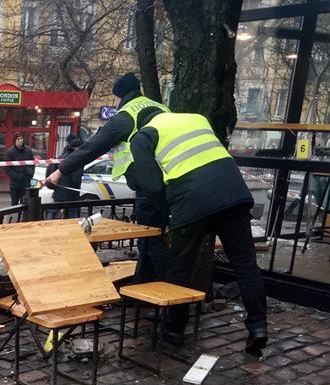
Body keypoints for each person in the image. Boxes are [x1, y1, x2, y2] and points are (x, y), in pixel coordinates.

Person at [128, 109, 269, 356]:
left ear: (142, 123)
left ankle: (174, 331)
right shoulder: (197, 118)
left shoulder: (143, 136)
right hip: (234, 193)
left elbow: (150, 184)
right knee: (246, 265)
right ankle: (258, 327)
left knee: (179, 268)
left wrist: (168, 210)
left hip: (191, 200)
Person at [45, 72, 170, 282]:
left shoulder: (125, 116)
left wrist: (60, 171)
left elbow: (91, 148)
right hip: (173, 178)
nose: (114, 101)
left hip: (151, 186)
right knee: (152, 238)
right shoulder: (160, 107)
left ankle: (169, 295)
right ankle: (144, 285)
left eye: (114, 97)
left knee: (151, 240)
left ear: (120, 95)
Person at [45, 134, 84, 218]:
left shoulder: (61, 156)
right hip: (71, 195)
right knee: (72, 215)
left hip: (59, 191)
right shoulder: (78, 160)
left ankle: (47, 226)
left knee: (53, 212)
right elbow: (75, 179)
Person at [5, 134, 35, 206]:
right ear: (14, 141)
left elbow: (32, 163)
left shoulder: (28, 150)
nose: (20, 141)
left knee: (25, 204)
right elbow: (7, 168)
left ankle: (23, 217)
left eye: (21, 138)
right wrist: (17, 176)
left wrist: (30, 172)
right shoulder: (10, 152)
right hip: (15, 184)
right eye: (18, 139)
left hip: (26, 183)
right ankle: (13, 217)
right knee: (14, 204)